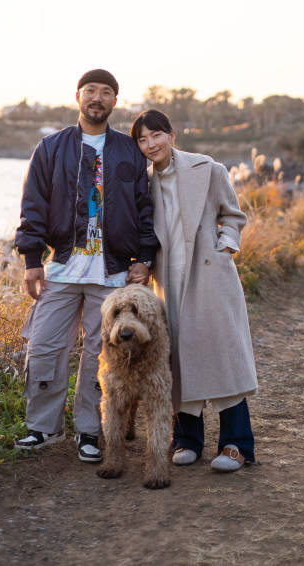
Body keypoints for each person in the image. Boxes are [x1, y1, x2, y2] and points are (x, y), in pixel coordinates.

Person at [14, 70, 158, 462]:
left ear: (115, 101)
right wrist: (31, 260)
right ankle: (42, 428)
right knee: (44, 347)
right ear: (78, 96)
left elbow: (146, 210)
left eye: (106, 92)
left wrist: (144, 259)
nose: (98, 97)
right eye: (91, 90)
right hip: (60, 269)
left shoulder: (129, 151)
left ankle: (91, 433)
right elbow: (33, 204)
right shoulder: (51, 147)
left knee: (103, 354)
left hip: (111, 274)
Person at [130, 109, 258, 472]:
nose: (150, 144)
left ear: (171, 134)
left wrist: (224, 248)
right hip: (167, 279)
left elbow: (233, 216)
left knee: (222, 353)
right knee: (177, 357)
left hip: (208, 274)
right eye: (142, 139)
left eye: (156, 135)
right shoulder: (143, 180)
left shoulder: (209, 168)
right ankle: (187, 439)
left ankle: (237, 444)